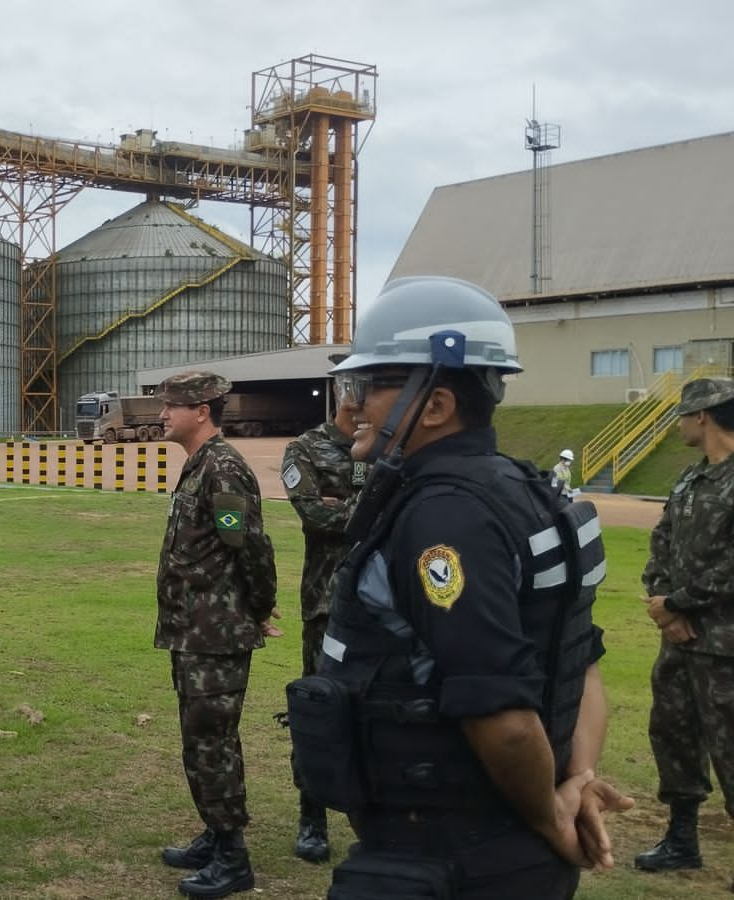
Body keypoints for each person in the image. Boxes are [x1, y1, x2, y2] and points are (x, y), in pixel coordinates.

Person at [288, 276, 632, 900]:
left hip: (453, 854)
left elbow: (499, 715)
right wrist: (575, 777)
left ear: (438, 404)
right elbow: (580, 661)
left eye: (366, 387)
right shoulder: (521, 490)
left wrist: (552, 814)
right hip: (496, 839)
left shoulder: (444, 515)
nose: (353, 405)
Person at [153, 370, 279, 899]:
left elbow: (248, 545)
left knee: (213, 742)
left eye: (171, 407)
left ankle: (233, 857)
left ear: (201, 410)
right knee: (199, 740)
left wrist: (259, 607)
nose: (162, 415)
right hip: (193, 630)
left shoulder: (222, 468)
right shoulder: (199, 466)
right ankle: (214, 831)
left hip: (215, 634)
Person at [636, 376, 734, 886]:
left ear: (703, 416)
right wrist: (665, 607)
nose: (677, 423)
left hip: (725, 648)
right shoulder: (690, 479)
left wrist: (680, 603)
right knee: (673, 736)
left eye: (682, 414)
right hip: (679, 642)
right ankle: (681, 841)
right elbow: (661, 542)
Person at [279, 396, 363, 864]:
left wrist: (346, 506)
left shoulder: (390, 446)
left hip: (384, 602)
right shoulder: (306, 449)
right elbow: (314, 514)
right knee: (319, 710)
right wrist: (369, 508)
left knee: (378, 711)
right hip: (327, 602)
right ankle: (311, 817)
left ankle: (376, 818)